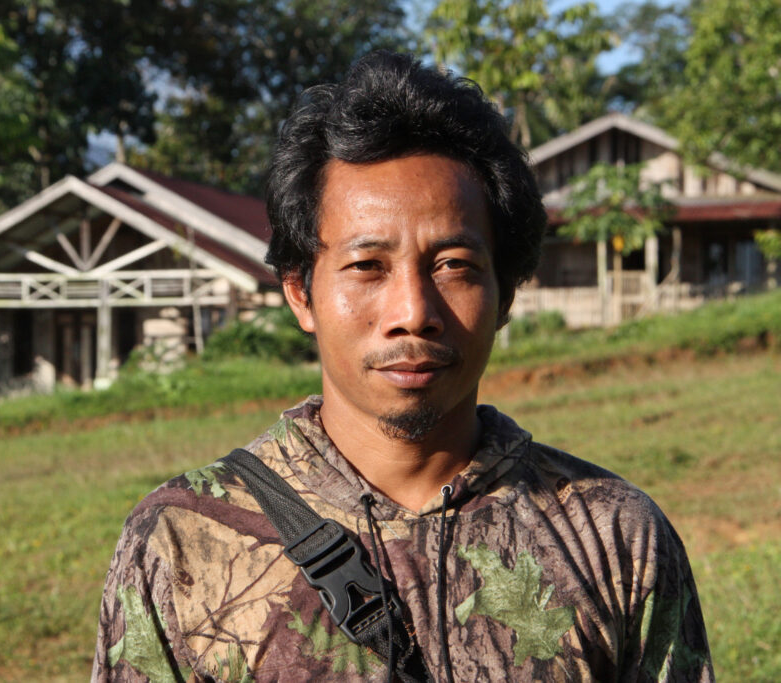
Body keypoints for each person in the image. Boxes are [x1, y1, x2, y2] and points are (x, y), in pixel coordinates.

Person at [91, 51, 713, 682]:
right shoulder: (179, 540)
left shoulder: (614, 536)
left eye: (455, 266)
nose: (414, 312)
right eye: (367, 267)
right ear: (300, 293)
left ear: (507, 296)